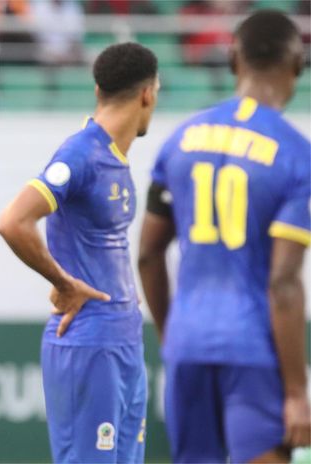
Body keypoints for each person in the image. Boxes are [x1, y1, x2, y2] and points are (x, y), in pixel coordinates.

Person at [138, 10, 311, 463]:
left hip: (188, 343)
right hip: (252, 349)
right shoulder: (297, 155)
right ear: (297, 64)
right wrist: (297, 392)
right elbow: (283, 284)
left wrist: (172, 337)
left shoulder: (180, 139)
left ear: (233, 58)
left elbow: (148, 255)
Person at [0, 43, 160, 462]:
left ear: (97, 90)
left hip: (123, 340)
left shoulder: (113, 157)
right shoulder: (81, 153)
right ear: (148, 94)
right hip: (89, 342)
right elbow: (13, 221)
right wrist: (63, 282)